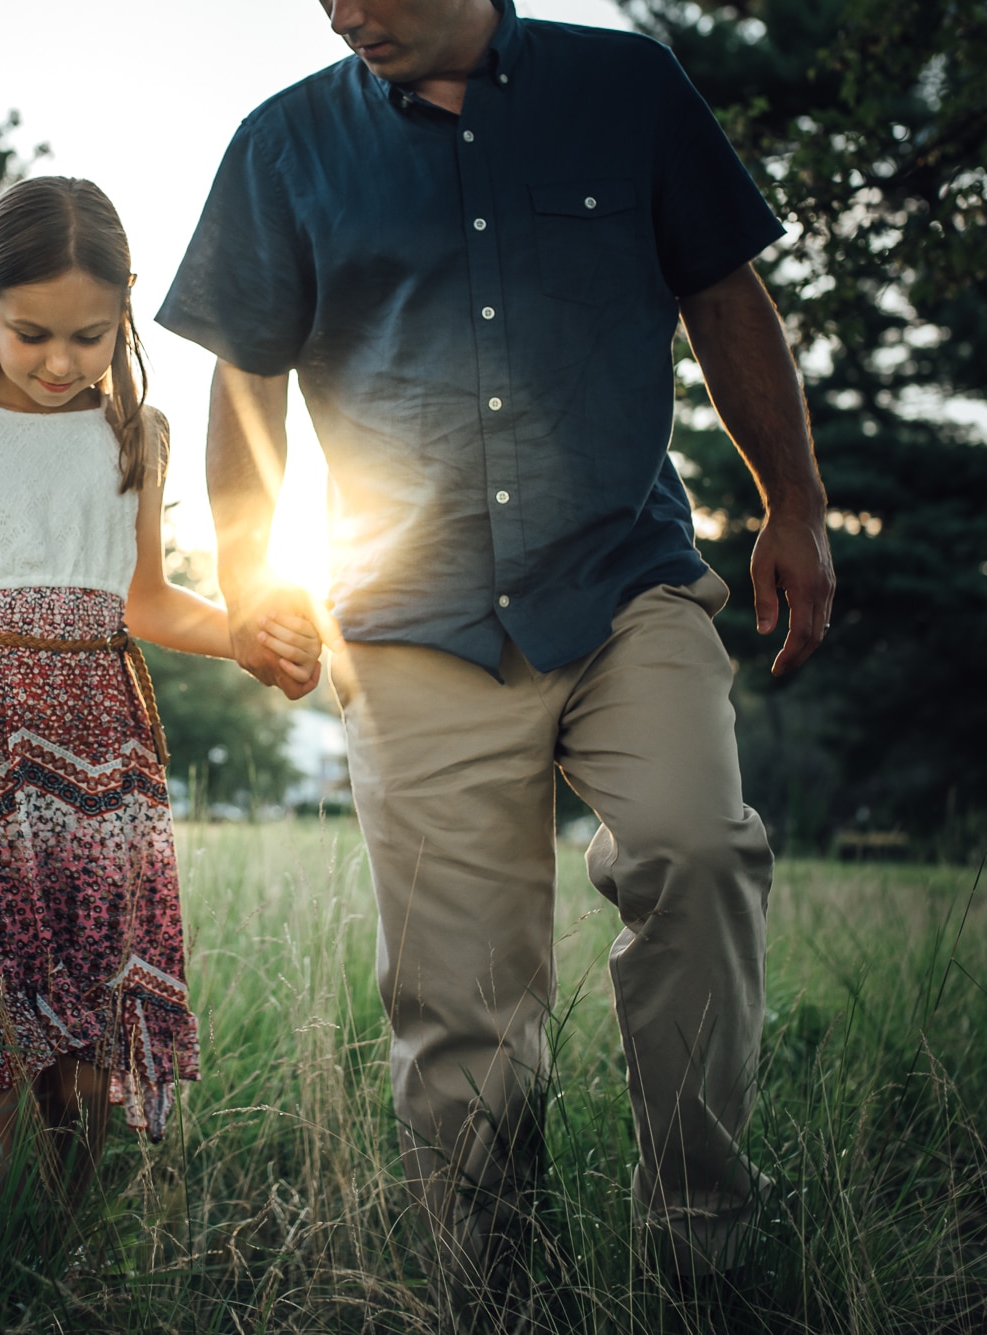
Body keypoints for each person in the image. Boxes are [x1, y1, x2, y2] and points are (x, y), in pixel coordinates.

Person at [157, 0, 835, 1321]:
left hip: (624, 584)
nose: (350, 10)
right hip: (410, 620)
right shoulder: (282, 144)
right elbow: (245, 381)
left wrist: (795, 500)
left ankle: (698, 1249)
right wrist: (252, 577)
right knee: (462, 1000)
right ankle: (492, 1294)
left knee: (696, 847)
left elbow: (722, 290)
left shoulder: (628, 91)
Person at [0, 177, 323, 1220]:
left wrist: (244, 635)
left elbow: (142, 601)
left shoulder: (135, 430)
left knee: (84, 1055)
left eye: (89, 336)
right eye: (29, 331)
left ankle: (63, 1254)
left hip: (100, 754)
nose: (58, 361)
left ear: (124, 316)